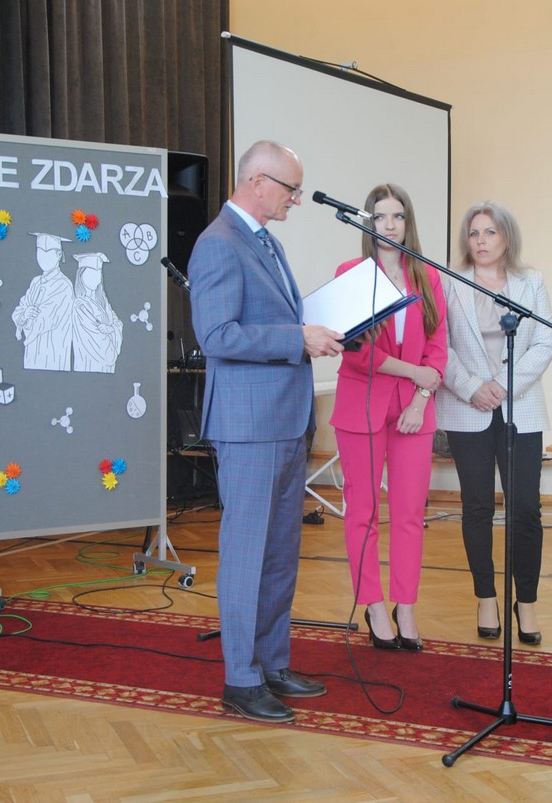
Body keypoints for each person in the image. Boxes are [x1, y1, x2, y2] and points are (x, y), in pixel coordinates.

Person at [189, 140, 346, 723]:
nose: (296, 200)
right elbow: (217, 336)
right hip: (249, 425)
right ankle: (241, 679)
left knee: (280, 553)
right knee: (247, 554)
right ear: (257, 180)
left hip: (285, 420)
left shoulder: (266, 241)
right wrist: (296, 338)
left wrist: (318, 329)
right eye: (290, 189)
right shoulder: (218, 243)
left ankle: (272, 664)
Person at [330, 184, 447, 652]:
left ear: (408, 222)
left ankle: (406, 605)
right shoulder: (351, 274)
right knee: (362, 511)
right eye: (380, 217)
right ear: (368, 223)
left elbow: (437, 346)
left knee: (410, 514)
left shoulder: (427, 276)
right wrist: (415, 372)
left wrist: (420, 398)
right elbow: (358, 354)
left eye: (398, 216)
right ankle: (374, 604)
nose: (390, 225)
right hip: (361, 405)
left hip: (414, 410)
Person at [435, 201, 552, 646]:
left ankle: (527, 602)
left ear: (507, 237)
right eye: (474, 233)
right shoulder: (450, 282)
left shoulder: (531, 282)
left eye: (490, 232)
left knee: (525, 509)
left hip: (520, 407)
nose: (481, 241)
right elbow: (441, 346)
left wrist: (502, 386)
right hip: (467, 408)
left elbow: (544, 344)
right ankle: (486, 597)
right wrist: (472, 388)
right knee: (477, 507)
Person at [12, 232, 74, 371]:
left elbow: (45, 320)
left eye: (48, 252)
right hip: (32, 352)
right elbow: (21, 307)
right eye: (39, 251)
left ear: (59, 255)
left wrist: (27, 319)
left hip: (52, 352)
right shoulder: (36, 282)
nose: (43, 257)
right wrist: (24, 315)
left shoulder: (63, 285)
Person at [70, 251, 123, 373]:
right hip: (90, 364)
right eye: (90, 272)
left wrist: (110, 329)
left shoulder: (103, 302)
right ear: (81, 275)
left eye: (98, 272)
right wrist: (110, 331)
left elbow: (118, 323)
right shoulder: (80, 305)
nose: (94, 277)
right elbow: (95, 337)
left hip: (108, 368)